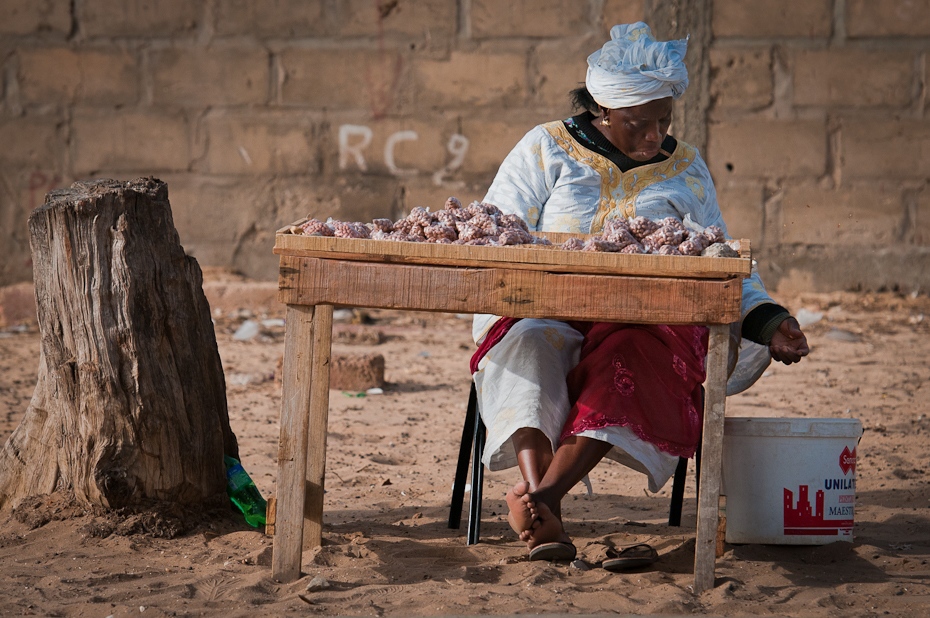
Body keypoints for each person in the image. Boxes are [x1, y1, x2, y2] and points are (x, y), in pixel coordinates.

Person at [470, 22, 810, 564]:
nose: (654, 136)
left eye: (663, 122)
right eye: (638, 123)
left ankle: (540, 500)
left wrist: (769, 321)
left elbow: (720, 257)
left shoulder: (687, 169)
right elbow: (495, 230)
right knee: (530, 346)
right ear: (602, 110)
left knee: (629, 359)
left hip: (645, 322)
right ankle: (542, 498)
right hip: (546, 310)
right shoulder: (545, 149)